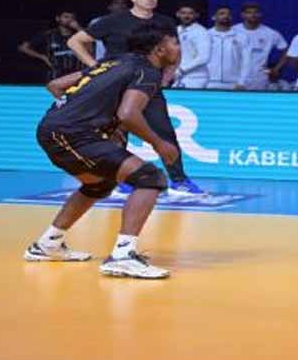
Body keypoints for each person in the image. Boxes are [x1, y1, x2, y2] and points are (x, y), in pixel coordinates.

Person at [24, 23, 181, 279]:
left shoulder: (114, 62)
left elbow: (55, 85)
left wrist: (89, 115)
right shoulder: (147, 71)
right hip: (72, 134)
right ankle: (123, 257)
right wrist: (159, 143)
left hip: (59, 130)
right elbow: (128, 114)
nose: (178, 48)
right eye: (174, 43)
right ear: (159, 49)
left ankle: (47, 244)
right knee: (150, 178)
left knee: (99, 185)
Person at [64, 0, 205, 196]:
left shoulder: (165, 22)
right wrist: (95, 68)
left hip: (147, 84)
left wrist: (166, 77)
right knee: (116, 133)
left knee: (164, 131)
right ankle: (120, 180)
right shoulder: (112, 21)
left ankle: (179, 180)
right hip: (115, 85)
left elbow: (175, 52)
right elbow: (75, 41)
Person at [17, 9, 86, 81]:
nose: (70, 20)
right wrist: (43, 57)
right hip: (55, 74)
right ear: (58, 18)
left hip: (76, 73)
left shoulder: (79, 34)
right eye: (66, 17)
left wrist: (78, 28)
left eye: (72, 18)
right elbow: (23, 48)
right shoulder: (48, 35)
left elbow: (91, 39)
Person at [233, 2, 289, 90]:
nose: (253, 15)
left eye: (256, 12)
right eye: (249, 12)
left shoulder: (270, 33)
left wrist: (276, 69)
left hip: (259, 79)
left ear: (260, 14)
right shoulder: (233, 31)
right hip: (235, 77)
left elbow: (287, 51)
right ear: (242, 15)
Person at [205, 6, 246, 90]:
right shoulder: (205, 35)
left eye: (228, 14)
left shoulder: (242, 37)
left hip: (234, 83)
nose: (226, 16)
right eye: (222, 13)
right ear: (213, 17)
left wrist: (242, 82)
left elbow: (246, 61)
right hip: (209, 82)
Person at [173, 3, 212, 89]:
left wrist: (182, 69)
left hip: (196, 77)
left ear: (196, 15)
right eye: (183, 13)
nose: (186, 16)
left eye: (190, 13)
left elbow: (204, 57)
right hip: (178, 76)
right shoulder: (176, 30)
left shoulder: (201, 32)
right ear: (177, 14)